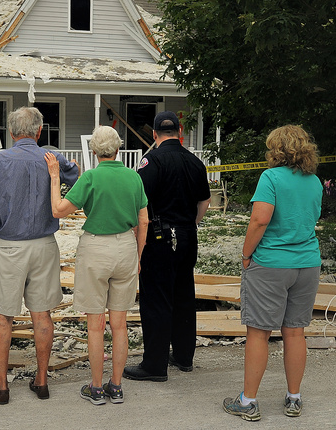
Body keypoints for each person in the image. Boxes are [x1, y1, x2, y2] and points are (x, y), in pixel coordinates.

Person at [0, 106, 79, 405]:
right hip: (45, 244)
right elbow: (79, 183)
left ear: (11, 133)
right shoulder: (52, 158)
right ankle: (42, 380)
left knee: (2, 316)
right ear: (39, 131)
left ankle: (1, 385)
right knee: (42, 313)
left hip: (9, 245)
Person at [223, 125, 323, 421]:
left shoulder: (270, 178)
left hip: (271, 263)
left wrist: (245, 254)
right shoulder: (315, 181)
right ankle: (294, 398)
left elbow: (259, 220)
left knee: (259, 332)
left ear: (276, 149)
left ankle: (248, 401)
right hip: (307, 263)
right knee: (295, 331)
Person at [44, 126, 148, 405]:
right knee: (120, 324)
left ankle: (96, 387)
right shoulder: (133, 177)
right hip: (126, 246)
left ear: (93, 150)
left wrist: (56, 177)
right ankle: (117, 386)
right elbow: (144, 220)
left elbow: (58, 209)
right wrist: (138, 256)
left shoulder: (90, 177)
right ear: (118, 149)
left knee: (95, 324)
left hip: (95, 248)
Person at [124, 111, 211, 382]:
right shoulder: (195, 162)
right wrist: (189, 224)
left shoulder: (151, 162)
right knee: (184, 295)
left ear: (154, 134)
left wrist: (139, 239)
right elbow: (204, 202)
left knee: (156, 299)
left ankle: (154, 364)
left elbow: (140, 204)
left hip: (160, 235)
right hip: (187, 235)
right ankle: (184, 357)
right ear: (180, 131)